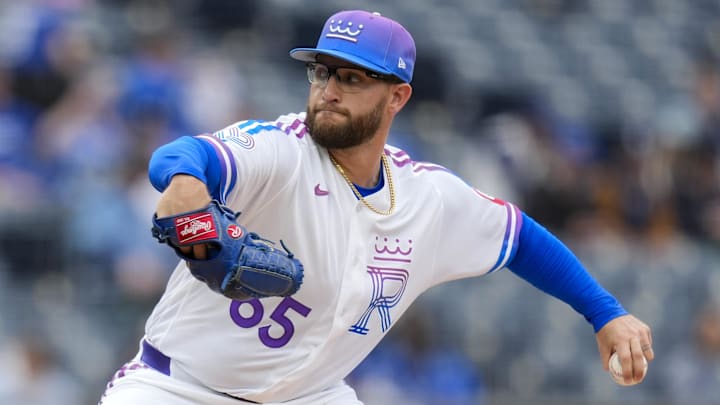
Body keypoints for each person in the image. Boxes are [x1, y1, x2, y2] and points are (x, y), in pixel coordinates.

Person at [99, 9, 654, 405]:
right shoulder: (282, 150)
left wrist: (606, 312)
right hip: (177, 388)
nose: (329, 90)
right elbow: (179, 158)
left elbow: (521, 239)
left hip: (311, 397)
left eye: (352, 77)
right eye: (322, 72)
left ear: (398, 96)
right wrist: (194, 212)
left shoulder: (428, 198)